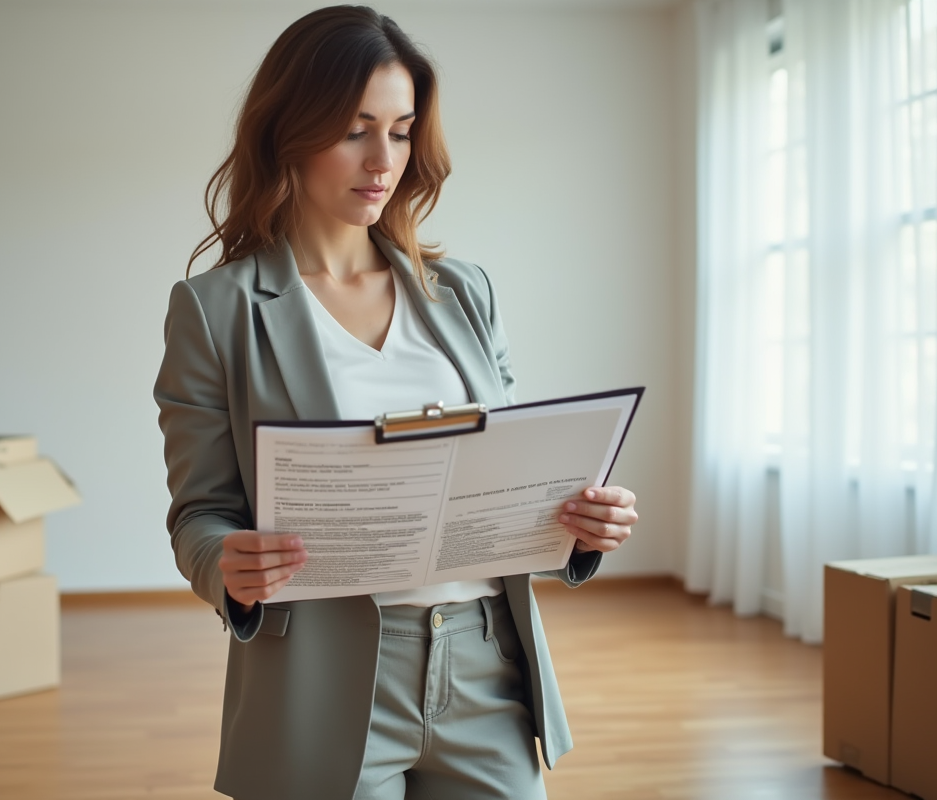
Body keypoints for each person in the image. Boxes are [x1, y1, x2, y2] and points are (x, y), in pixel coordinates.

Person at [153, 6, 638, 799]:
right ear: (289, 129)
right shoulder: (216, 310)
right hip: (320, 673)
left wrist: (580, 525)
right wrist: (223, 564)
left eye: (402, 130)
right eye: (355, 129)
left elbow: (506, 479)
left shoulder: (465, 294)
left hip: (488, 666)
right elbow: (200, 512)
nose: (384, 159)